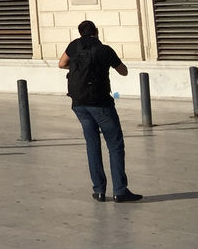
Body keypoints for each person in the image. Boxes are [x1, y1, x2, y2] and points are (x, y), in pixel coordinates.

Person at [58, 20, 143, 203]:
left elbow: (61, 63)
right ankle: (120, 190)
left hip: (79, 104)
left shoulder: (74, 45)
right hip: (101, 104)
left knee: (92, 145)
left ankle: (98, 190)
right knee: (115, 144)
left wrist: (75, 67)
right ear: (96, 32)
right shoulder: (105, 50)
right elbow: (123, 71)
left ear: (80, 33)